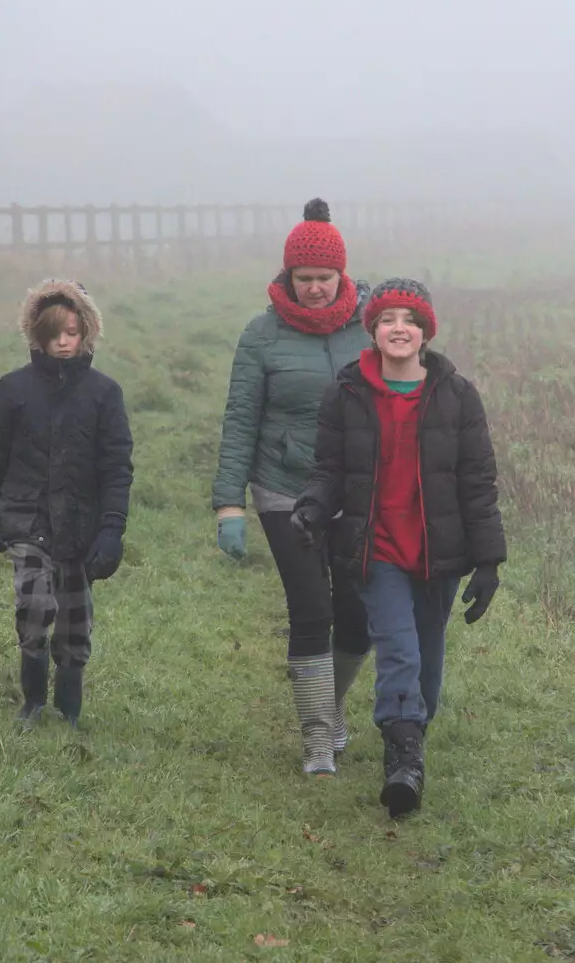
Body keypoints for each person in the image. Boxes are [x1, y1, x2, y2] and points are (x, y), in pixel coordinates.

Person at [292, 277, 506, 817]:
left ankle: (413, 729)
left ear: (426, 331)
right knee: (398, 651)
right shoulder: (346, 393)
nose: (399, 329)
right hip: (375, 549)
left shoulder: (457, 396)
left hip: (439, 556)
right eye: (388, 319)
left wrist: (488, 561)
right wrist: (313, 509)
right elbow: (331, 469)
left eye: (410, 320)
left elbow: (477, 482)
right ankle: (403, 764)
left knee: (427, 665)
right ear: (373, 329)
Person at [212, 198, 373, 776]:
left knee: (358, 617)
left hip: (356, 493)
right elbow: (240, 419)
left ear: (341, 275)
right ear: (287, 277)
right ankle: (316, 739)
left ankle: (331, 707)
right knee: (312, 610)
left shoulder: (371, 329)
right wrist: (229, 503)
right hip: (285, 488)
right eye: (303, 279)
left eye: (323, 279)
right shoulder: (261, 337)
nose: (313, 290)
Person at [0, 279, 134, 730]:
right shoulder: (13, 390)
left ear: (86, 333)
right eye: (53, 334)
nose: (63, 343)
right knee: (34, 608)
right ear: (37, 336)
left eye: (71, 333)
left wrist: (111, 531)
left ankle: (69, 709)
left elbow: (117, 466)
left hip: (82, 528)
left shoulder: (104, 394)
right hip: (27, 521)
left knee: (75, 622)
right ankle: (32, 703)